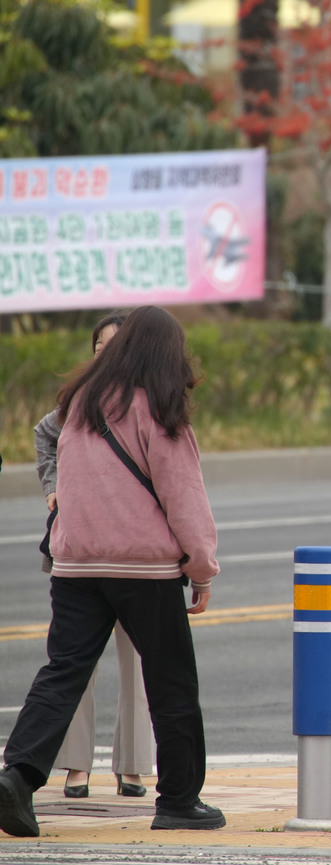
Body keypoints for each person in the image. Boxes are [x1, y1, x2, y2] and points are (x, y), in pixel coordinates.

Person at [0, 306, 223, 838]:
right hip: (142, 568)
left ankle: (17, 777)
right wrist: (203, 567)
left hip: (74, 564)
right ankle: (178, 802)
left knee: (63, 673)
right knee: (170, 680)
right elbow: (183, 497)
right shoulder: (160, 407)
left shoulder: (79, 403)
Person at [33, 311, 156, 800]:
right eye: (99, 347)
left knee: (139, 662)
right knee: (73, 663)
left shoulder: (151, 403)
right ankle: (75, 766)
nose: (107, 354)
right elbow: (44, 435)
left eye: (117, 345)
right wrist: (53, 486)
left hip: (136, 554)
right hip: (80, 555)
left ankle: (132, 767)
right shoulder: (77, 404)